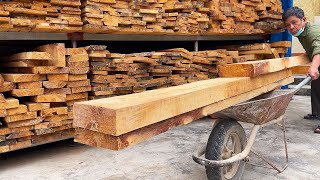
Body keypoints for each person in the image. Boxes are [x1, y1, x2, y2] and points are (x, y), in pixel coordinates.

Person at [282, 6, 320, 134]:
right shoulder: (302, 33)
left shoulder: (312, 31)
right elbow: (311, 47)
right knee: (316, 86)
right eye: (288, 25)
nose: (291, 27)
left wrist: (314, 67)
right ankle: (317, 113)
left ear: (303, 19)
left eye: (294, 22)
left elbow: (318, 50)